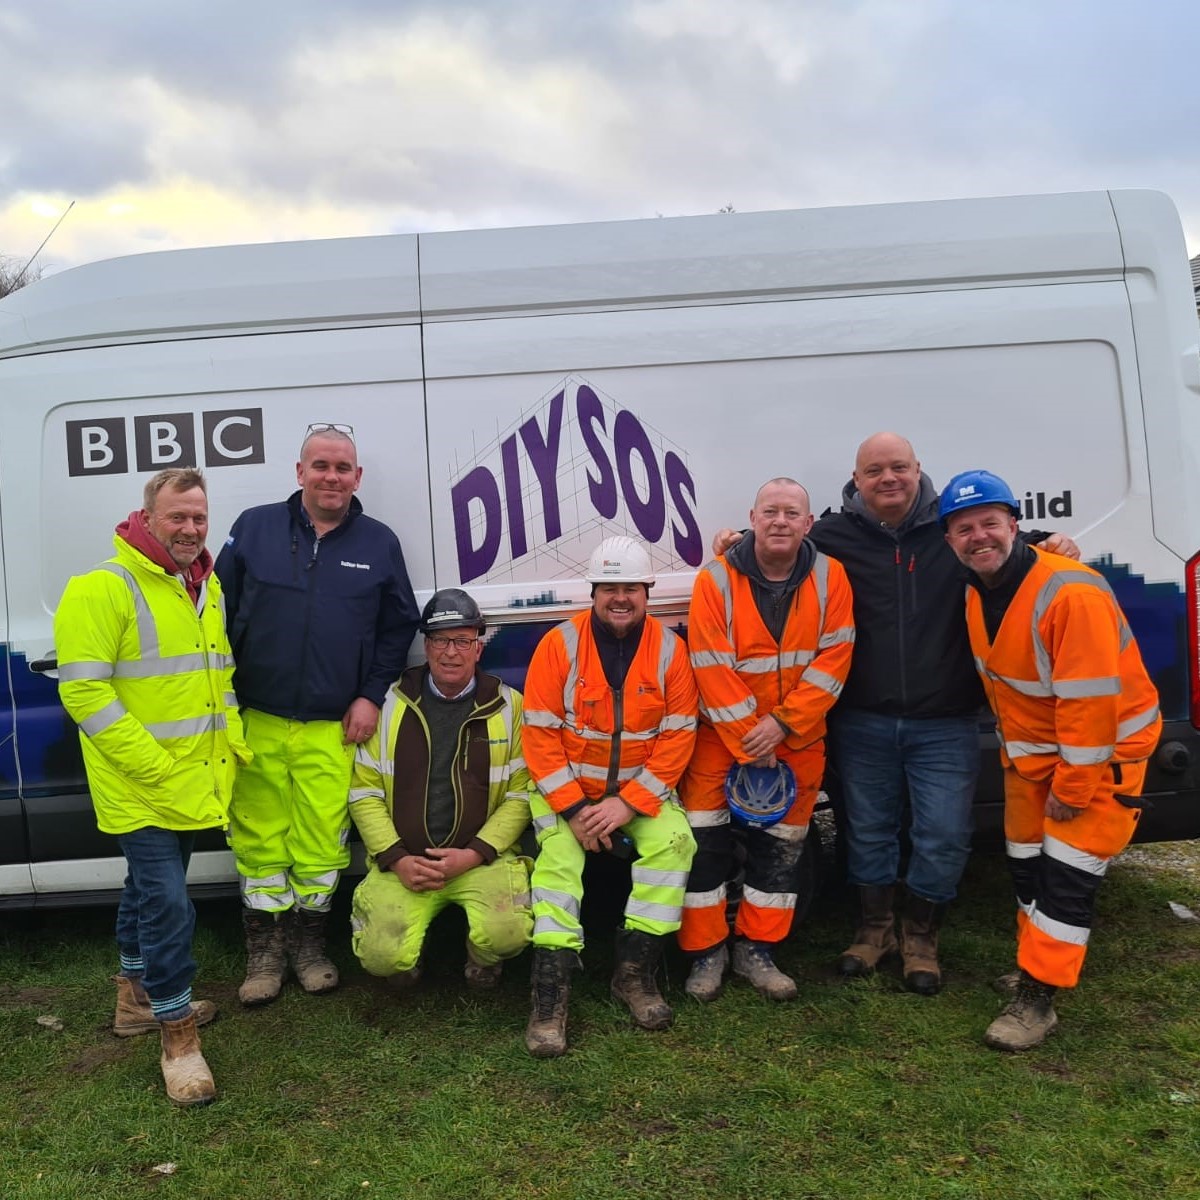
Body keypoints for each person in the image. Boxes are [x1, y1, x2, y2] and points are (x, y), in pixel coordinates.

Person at [713, 433, 1077, 995]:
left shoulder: (950, 530)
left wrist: (1051, 541)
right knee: (868, 830)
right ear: (856, 480)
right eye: (875, 470)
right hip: (864, 718)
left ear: (918, 470)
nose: (889, 478)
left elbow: (1002, 544)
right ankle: (874, 929)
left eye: (899, 467)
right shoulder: (834, 534)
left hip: (945, 720)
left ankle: (921, 936)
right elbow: (774, 542)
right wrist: (733, 541)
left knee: (943, 834)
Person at [940, 469, 1161, 1050]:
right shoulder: (978, 588)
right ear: (949, 541)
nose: (978, 537)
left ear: (1016, 526)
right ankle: (1032, 964)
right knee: (1027, 868)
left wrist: (1076, 785)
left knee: (1066, 878)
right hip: (1032, 762)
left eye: (990, 523)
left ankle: (1037, 1001)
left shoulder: (1071, 592)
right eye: (964, 528)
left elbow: (1090, 703)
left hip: (1094, 762)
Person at [55, 467, 251, 1106]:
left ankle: (135, 997)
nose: (191, 528)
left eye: (199, 516)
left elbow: (214, 677)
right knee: (170, 902)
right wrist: (152, 765)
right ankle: (178, 1036)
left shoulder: (206, 584)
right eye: (178, 517)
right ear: (148, 517)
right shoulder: (102, 587)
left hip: (192, 777)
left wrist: (233, 746)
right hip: (138, 782)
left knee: (147, 890)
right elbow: (84, 690)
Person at [215, 423, 420, 1006]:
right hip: (256, 716)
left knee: (323, 842)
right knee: (259, 841)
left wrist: (369, 694)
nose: (332, 477)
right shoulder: (254, 528)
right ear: (299, 471)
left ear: (358, 477)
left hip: (335, 723)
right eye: (321, 466)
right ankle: (265, 953)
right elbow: (216, 616)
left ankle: (308, 947)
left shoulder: (379, 542)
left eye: (343, 468)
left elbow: (397, 626)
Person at [520, 535, 698, 1057]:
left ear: (648, 592)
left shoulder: (670, 649)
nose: (620, 599)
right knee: (555, 867)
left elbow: (678, 736)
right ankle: (549, 999)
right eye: (609, 588)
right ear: (593, 592)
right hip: (567, 797)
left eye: (631, 588)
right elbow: (539, 736)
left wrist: (629, 803)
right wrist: (575, 810)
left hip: (636, 795)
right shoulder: (559, 645)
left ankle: (635, 975)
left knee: (674, 844)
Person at [682, 478, 855, 1002]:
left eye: (792, 513)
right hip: (721, 739)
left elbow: (835, 658)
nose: (780, 521)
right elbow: (709, 663)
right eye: (771, 511)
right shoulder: (714, 579)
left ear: (808, 524)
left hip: (798, 740)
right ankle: (705, 954)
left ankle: (758, 951)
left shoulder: (832, 578)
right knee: (704, 847)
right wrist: (749, 738)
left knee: (780, 852)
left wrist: (781, 726)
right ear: (752, 518)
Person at [346, 588, 533, 989]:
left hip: (480, 860)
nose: (451, 652)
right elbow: (364, 793)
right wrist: (397, 859)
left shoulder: (509, 706)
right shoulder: (390, 704)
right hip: (406, 863)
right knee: (382, 958)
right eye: (440, 640)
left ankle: (483, 957)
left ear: (478, 648)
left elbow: (521, 795)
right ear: (426, 647)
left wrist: (472, 855)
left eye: (463, 640)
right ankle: (404, 959)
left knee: (508, 934)